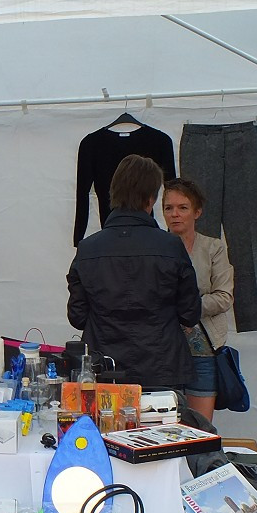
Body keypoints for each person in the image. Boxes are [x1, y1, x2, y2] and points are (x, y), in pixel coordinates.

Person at [67, 155, 201, 388]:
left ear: (114, 193)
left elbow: (77, 317)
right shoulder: (169, 246)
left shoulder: (88, 248)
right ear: (151, 198)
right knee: (164, 425)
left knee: (107, 425)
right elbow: (190, 312)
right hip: (163, 367)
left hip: (104, 368)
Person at [162, 178, 235, 421]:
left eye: (183, 208)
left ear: (197, 212)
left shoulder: (213, 248)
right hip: (162, 349)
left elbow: (224, 297)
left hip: (203, 347)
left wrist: (187, 307)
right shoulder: (154, 247)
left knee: (200, 428)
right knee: (163, 424)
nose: (175, 214)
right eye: (168, 208)